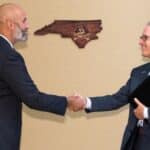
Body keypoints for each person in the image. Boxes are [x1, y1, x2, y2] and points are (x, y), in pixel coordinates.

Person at [0, 3, 85, 150]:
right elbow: (32, 98)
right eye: (24, 21)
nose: (27, 26)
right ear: (10, 24)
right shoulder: (8, 56)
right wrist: (66, 102)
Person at [68, 22, 150, 150]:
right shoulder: (138, 73)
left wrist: (146, 113)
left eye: (145, 38)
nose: (140, 42)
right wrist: (85, 102)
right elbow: (116, 99)